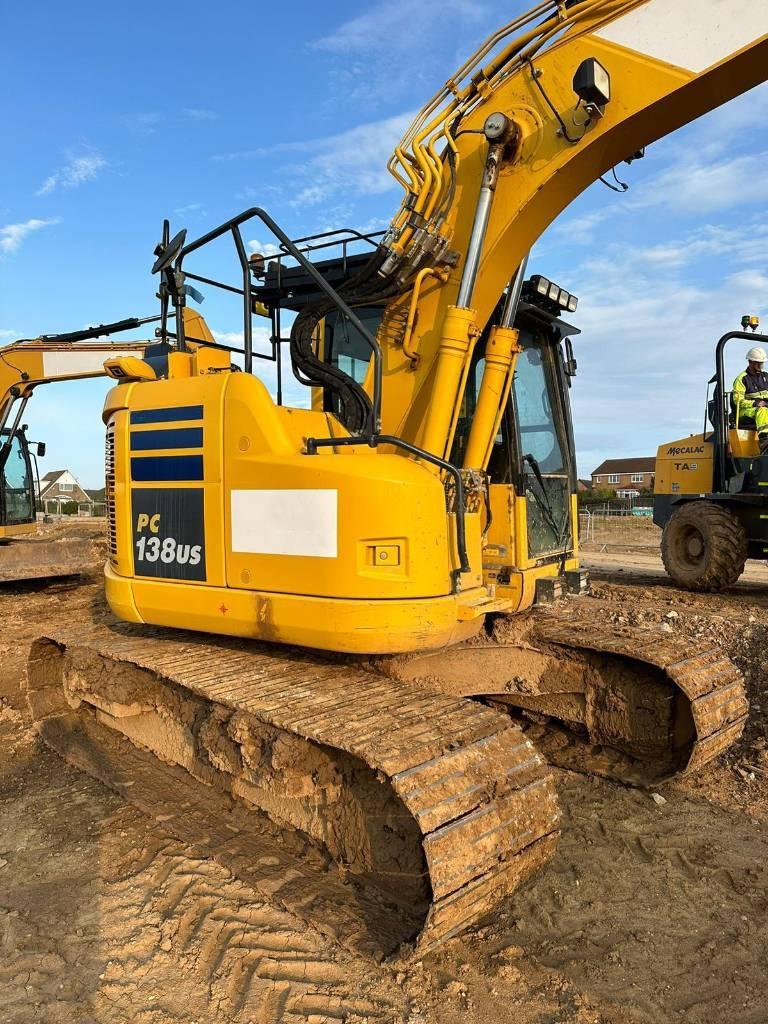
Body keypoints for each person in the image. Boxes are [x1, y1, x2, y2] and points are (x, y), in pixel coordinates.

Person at [733, 346, 768, 453]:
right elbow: (738, 401)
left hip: (764, 406)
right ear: (750, 362)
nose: (760, 366)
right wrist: (755, 403)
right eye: (757, 363)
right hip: (745, 411)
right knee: (762, 411)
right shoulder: (742, 379)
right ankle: (765, 441)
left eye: (761, 363)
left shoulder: (766, 377)